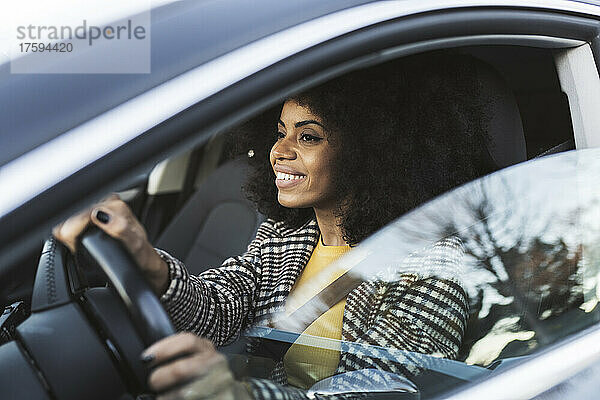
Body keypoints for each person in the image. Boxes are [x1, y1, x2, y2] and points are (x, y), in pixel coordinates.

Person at [54, 53, 493, 399]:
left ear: (373, 151)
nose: (278, 151)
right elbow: (217, 309)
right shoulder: (286, 235)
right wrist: (145, 259)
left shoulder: (431, 263)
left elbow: (380, 395)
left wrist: (242, 395)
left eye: (308, 136)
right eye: (280, 131)